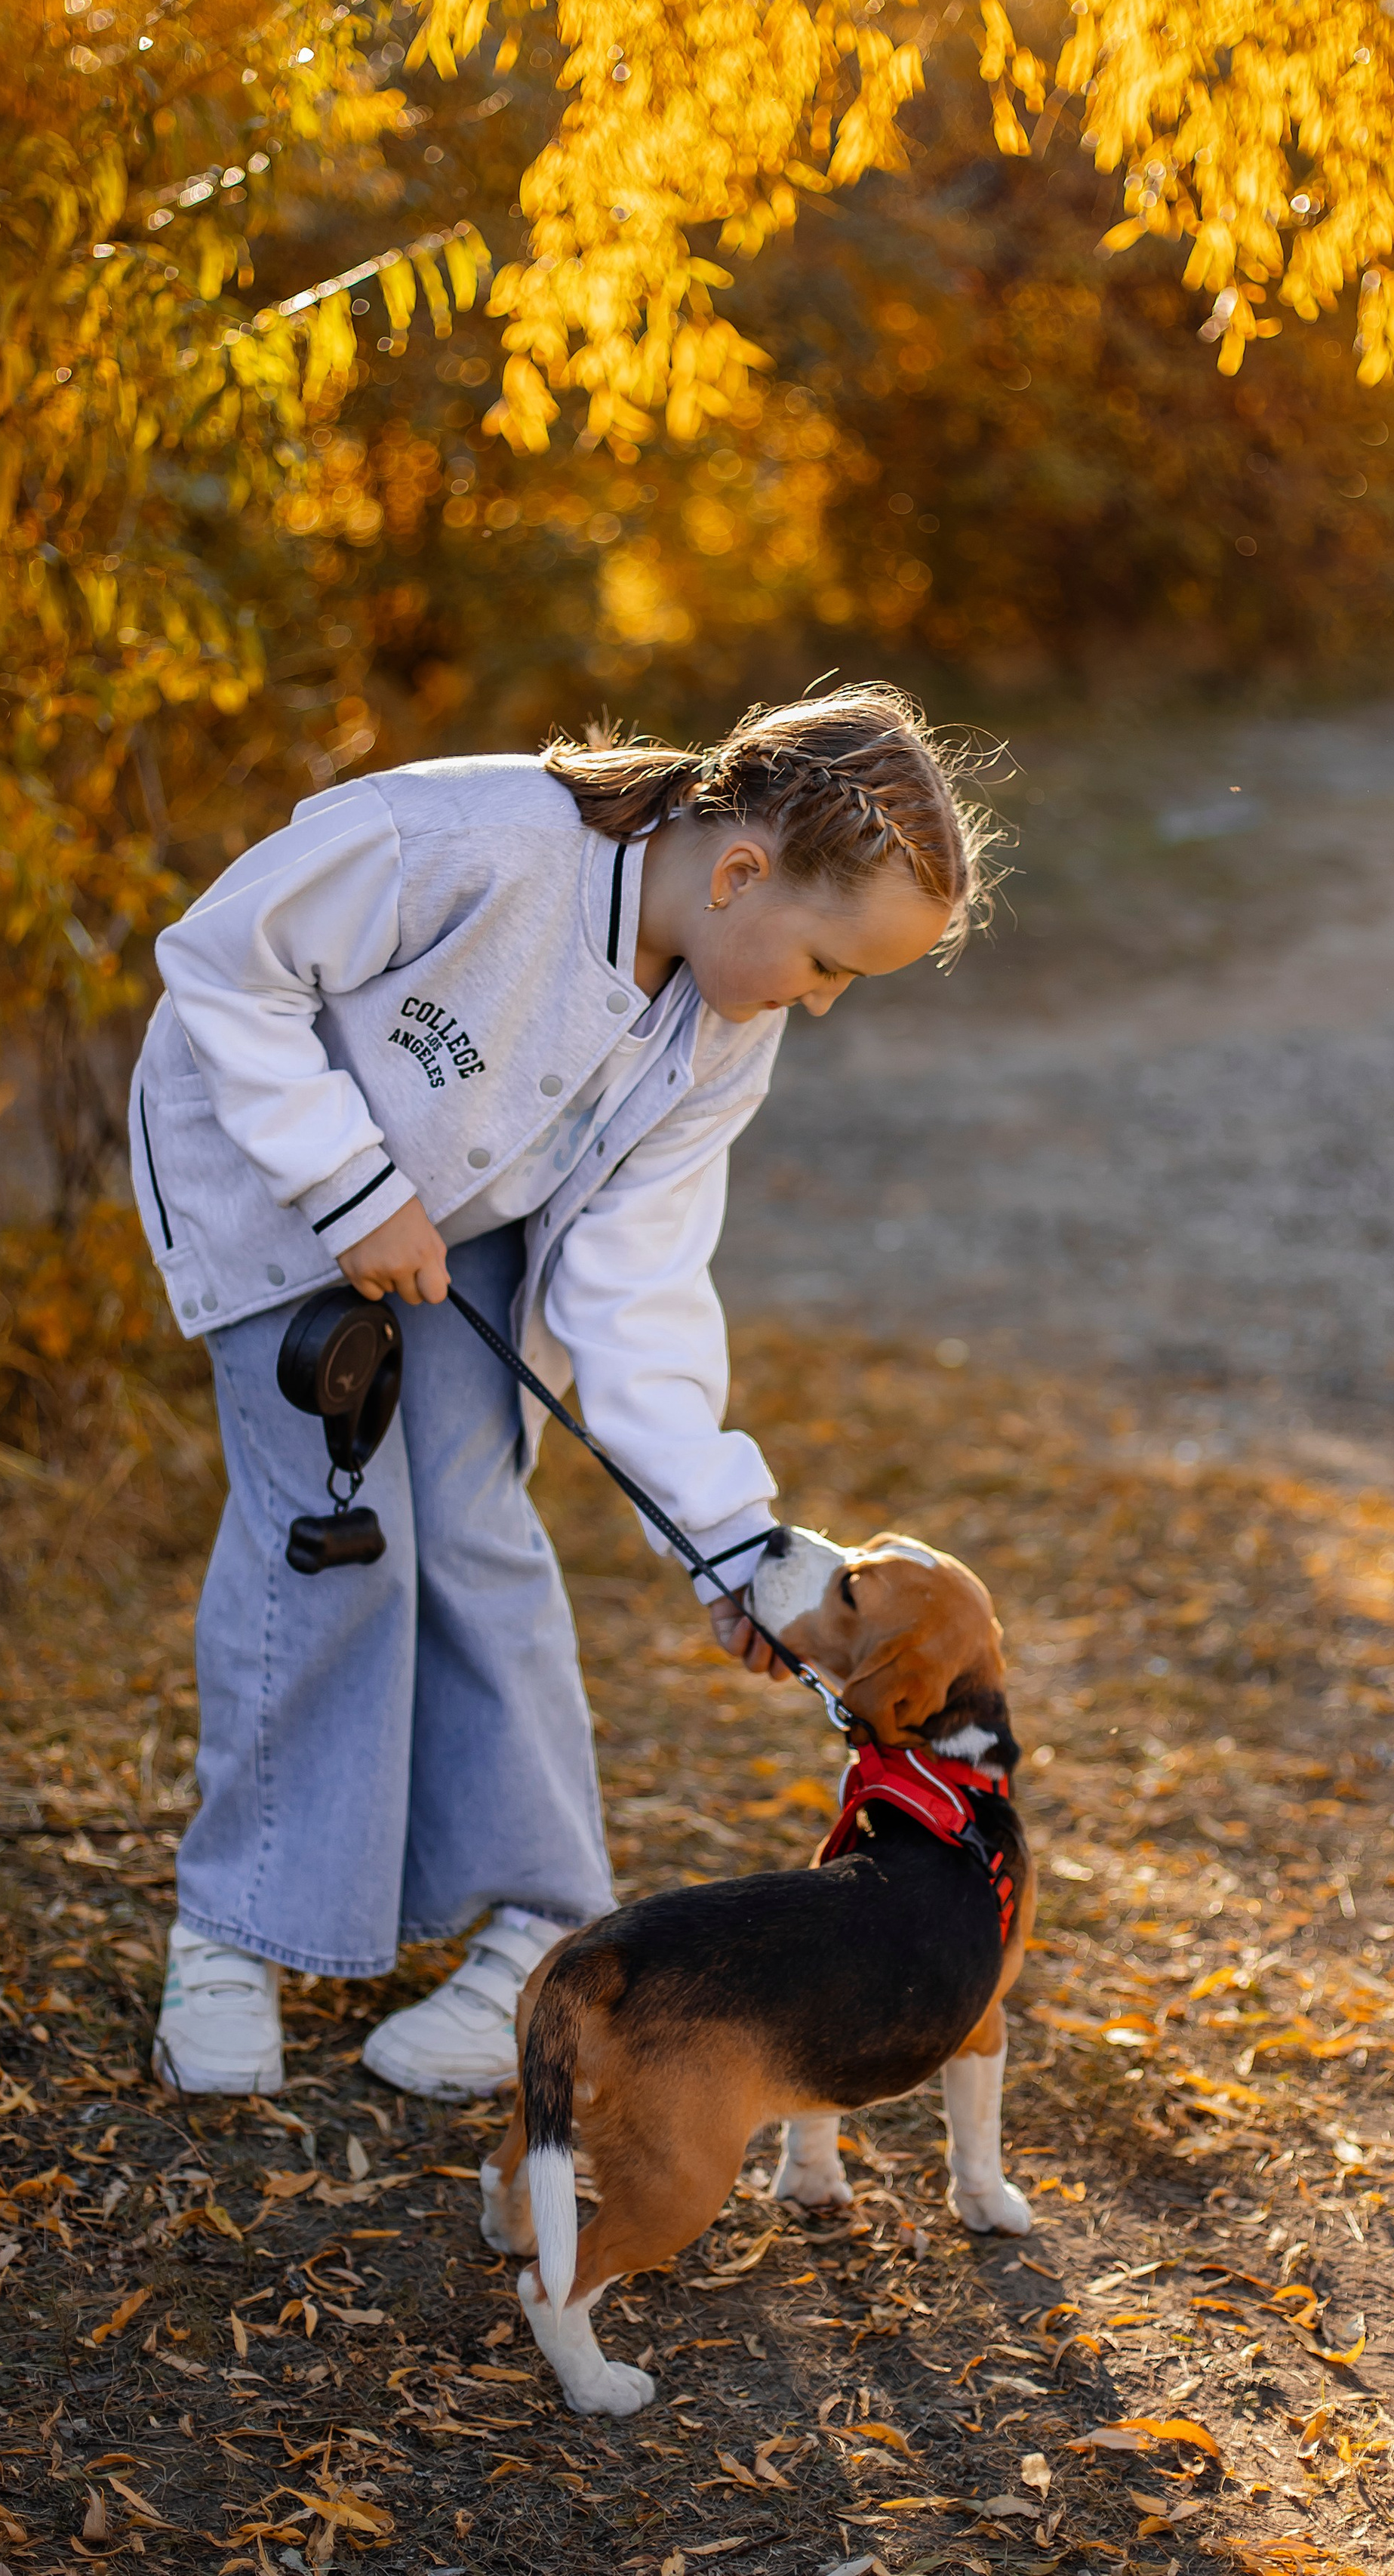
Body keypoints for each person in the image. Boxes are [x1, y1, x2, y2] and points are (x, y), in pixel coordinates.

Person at [131, 683, 995, 2098]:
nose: (822, 1003)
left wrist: (726, 1545)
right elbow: (221, 959)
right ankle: (236, 1931)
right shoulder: (463, 837)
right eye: (830, 963)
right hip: (278, 1184)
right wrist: (348, 1187)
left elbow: (638, 1278)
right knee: (337, 1544)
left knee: (476, 1530)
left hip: (466, 1231)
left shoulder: (727, 1017)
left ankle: (532, 1928)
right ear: (740, 873)